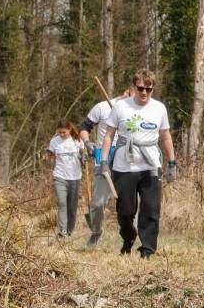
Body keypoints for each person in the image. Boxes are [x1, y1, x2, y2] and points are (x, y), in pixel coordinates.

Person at [100, 70, 178, 259]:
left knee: (151, 209)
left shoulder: (159, 108)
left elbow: (165, 136)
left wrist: (172, 162)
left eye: (148, 89)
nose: (144, 93)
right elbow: (109, 134)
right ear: (134, 87)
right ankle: (128, 237)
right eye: (141, 88)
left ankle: (147, 249)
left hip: (150, 165)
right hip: (124, 165)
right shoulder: (120, 107)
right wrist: (103, 161)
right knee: (125, 212)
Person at [80, 87, 133, 246]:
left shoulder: (136, 111)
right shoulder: (102, 107)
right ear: (126, 91)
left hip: (126, 156)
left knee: (130, 201)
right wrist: (88, 143)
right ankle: (96, 231)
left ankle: (132, 236)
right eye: (129, 95)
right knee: (97, 203)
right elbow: (84, 128)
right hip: (102, 156)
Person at [47, 119, 85, 238]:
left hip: (74, 177)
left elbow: (84, 152)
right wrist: (49, 157)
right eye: (59, 133)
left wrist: (84, 157)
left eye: (64, 132)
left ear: (69, 130)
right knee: (62, 203)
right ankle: (62, 231)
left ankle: (69, 231)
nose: (62, 135)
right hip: (60, 176)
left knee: (72, 207)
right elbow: (50, 155)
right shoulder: (54, 141)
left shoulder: (76, 140)